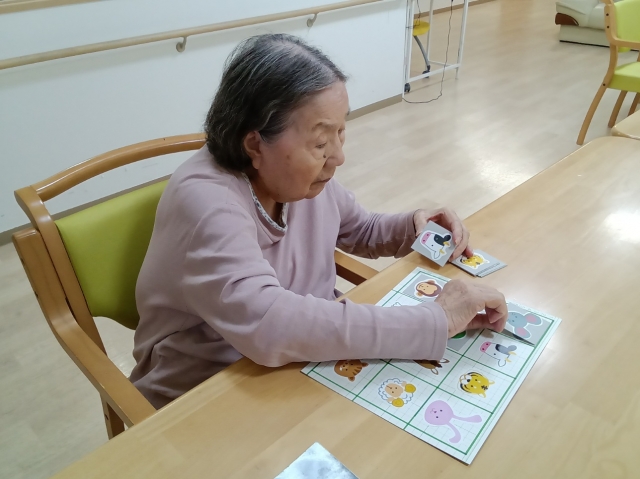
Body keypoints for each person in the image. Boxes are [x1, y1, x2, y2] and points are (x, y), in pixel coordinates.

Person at [130, 33, 508, 409]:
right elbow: (272, 323)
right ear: (255, 144)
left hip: (299, 362)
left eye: (341, 132)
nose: (338, 156)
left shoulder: (299, 180)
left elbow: (360, 229)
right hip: (205, 392)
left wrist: (414, 226)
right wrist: (434, 320)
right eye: (321, 143)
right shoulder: (208, 202)